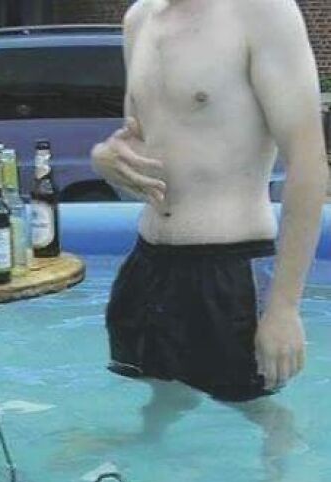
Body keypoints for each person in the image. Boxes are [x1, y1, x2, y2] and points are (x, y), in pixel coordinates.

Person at [92, 0, 327, 410]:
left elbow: (308, 161)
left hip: (231, 270)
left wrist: (284, 307)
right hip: (148, 264)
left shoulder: (262, 11)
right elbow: (144, 147)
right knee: (159, 402)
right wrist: (104, 158)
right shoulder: (138, 19)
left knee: (260, 414)